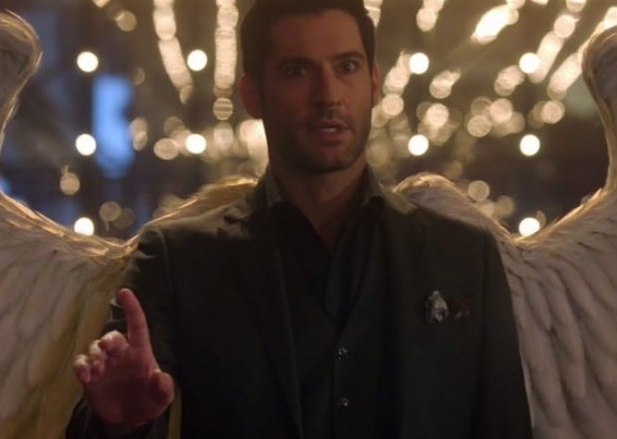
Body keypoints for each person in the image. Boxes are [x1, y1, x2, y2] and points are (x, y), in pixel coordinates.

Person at [68, 0, 532, 437]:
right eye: (297, 71)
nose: (328, 95)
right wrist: (116, 424)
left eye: (346, 67)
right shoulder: (177, 259)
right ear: (253, 94)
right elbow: (107, 411)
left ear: (374, 83)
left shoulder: (464, 255)